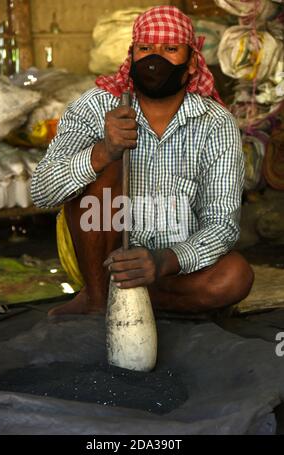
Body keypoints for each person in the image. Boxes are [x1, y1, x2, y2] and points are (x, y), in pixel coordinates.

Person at [31, 6, 254, 316]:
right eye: (145, 48)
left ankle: (130, 300)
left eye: (170, 49)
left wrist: (164, 260)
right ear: (132, 55)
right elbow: (41, 192)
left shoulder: (215, 123)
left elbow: (222, 224)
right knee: (107, 167)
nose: (154, 59)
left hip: (169, 271)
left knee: (235, 277)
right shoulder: (96, 107)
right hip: (100, 264)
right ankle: (97, 299)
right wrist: (102, 152)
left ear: (191, 63)